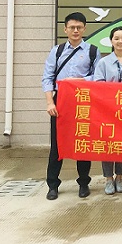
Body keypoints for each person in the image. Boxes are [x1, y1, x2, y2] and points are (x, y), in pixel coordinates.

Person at [42, 12, 100, 200]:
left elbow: (98, 77)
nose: (75, 30)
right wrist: (50, 102)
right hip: (61, 102)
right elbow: (47, 78)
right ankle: (52, 185)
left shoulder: (92, 51)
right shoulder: (57, 51)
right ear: (65, 29)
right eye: (72, 27)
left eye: (79, 27)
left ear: (84, 29)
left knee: (83, 142)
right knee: (57, 145)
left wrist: (80, 81)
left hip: (83, 101)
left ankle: (83, 183)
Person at [92, 26, 122, 195]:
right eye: (116, 38)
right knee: (107, 143)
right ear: (111, 41)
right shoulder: (103, 62)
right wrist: (112, 87)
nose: (120, 41)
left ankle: (119, 177)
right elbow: (97, 84)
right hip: (107, 110)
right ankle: (108, 179)